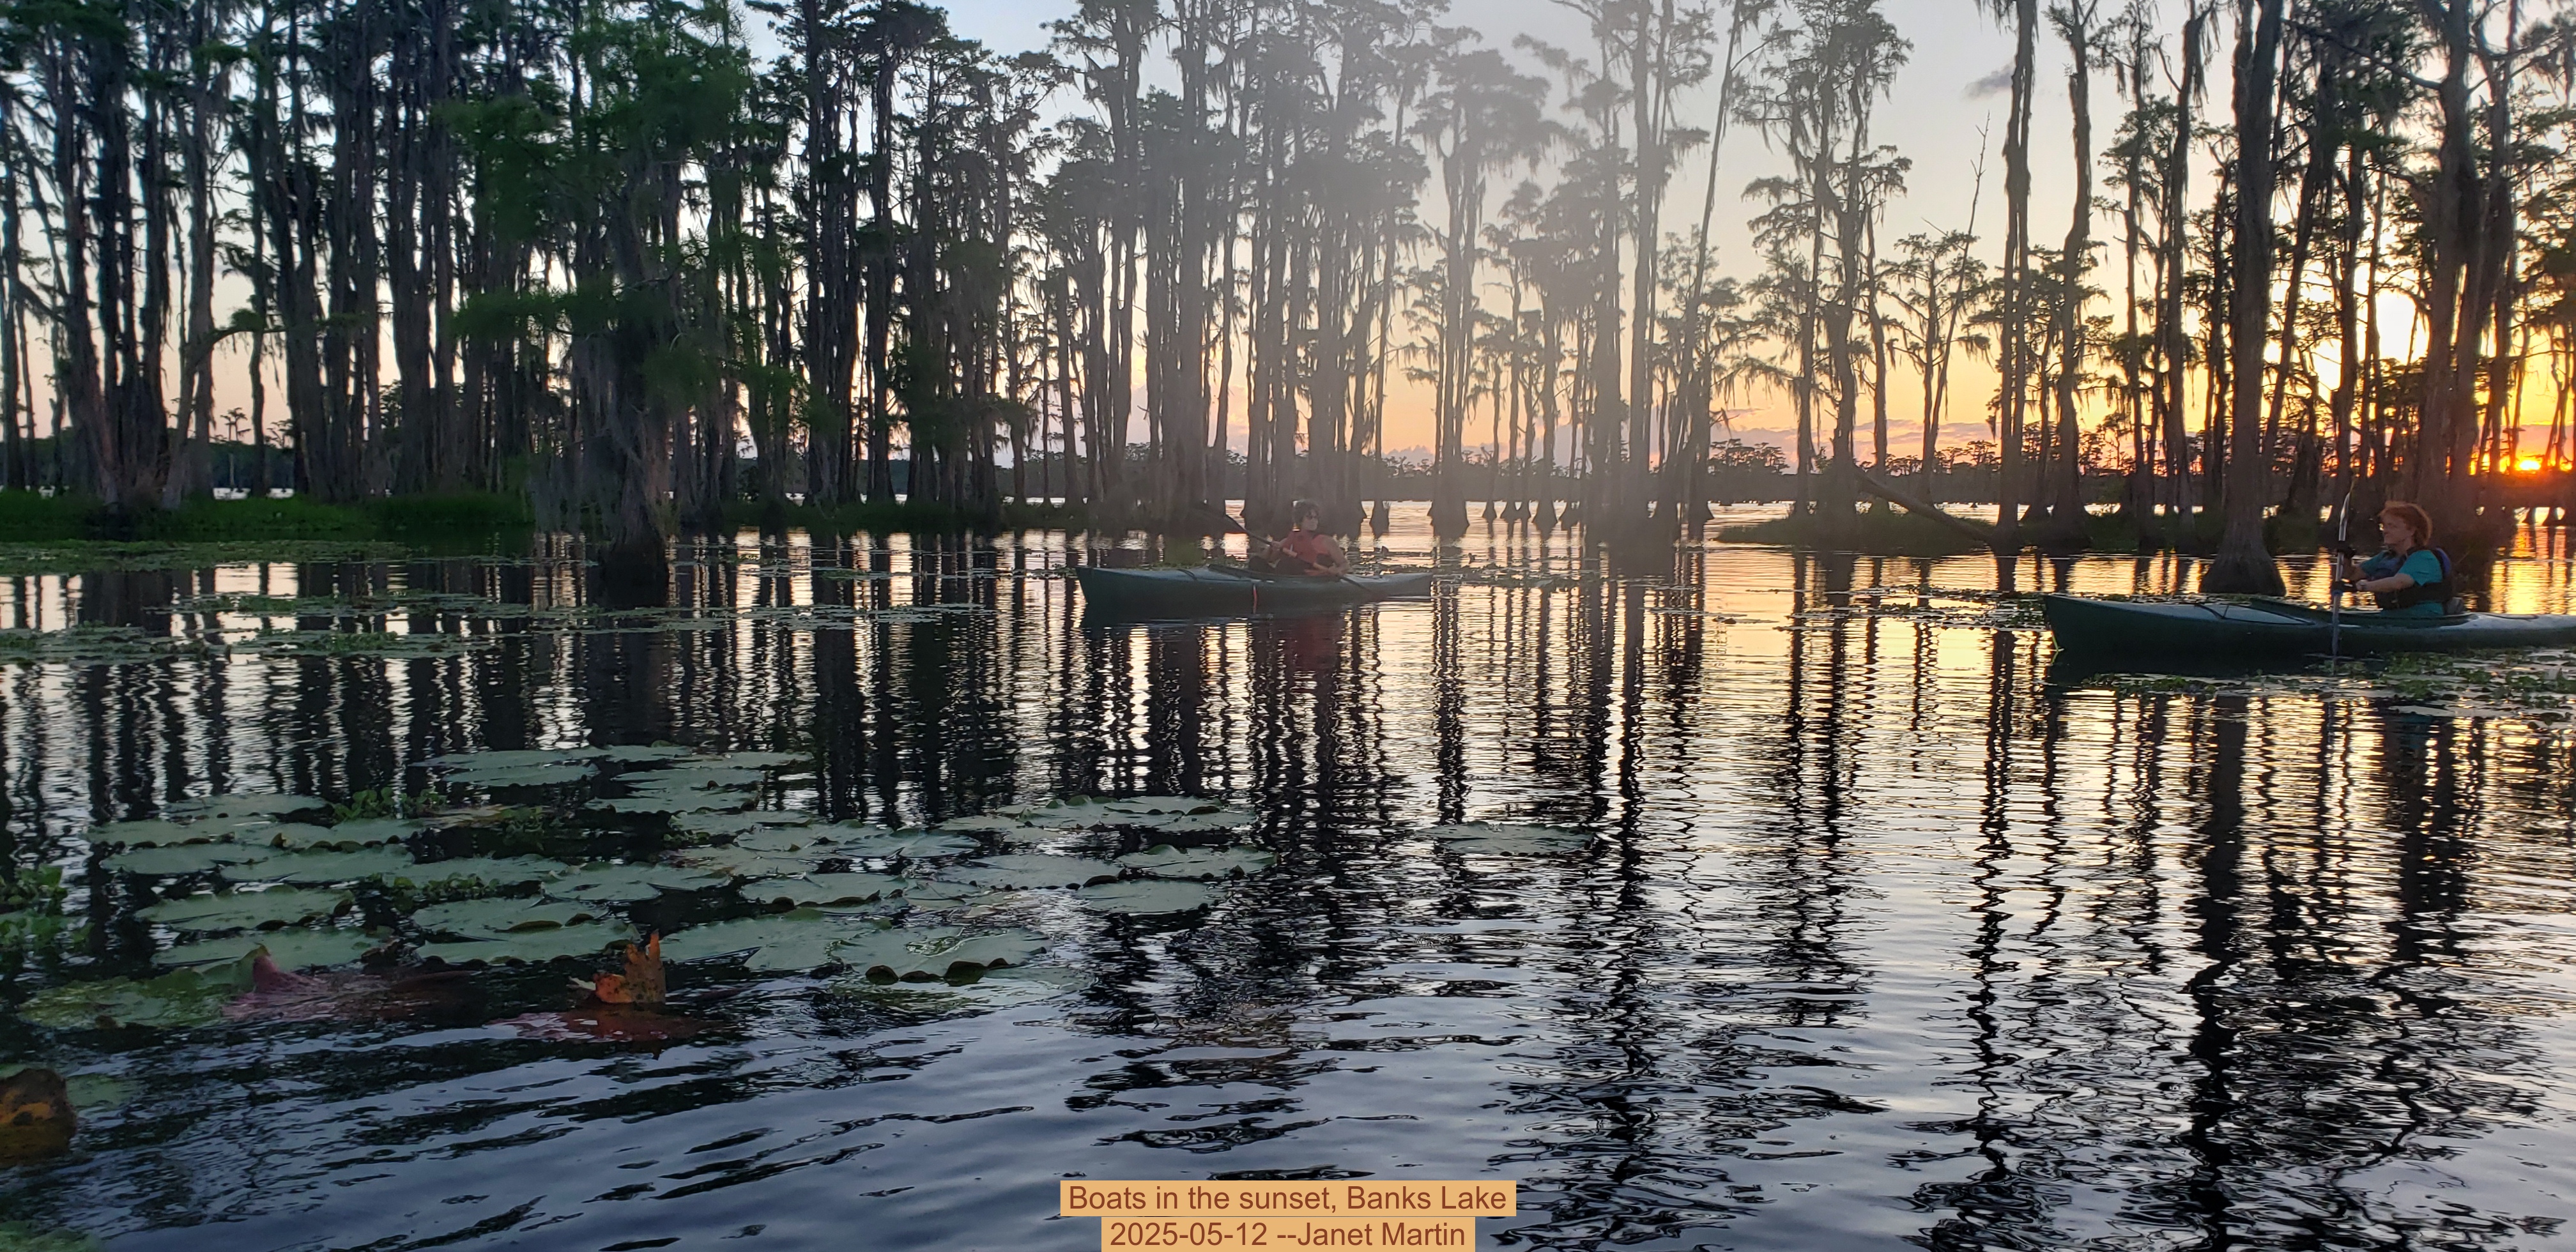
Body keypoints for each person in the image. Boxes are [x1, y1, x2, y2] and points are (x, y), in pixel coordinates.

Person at [2343, 501, 2454, 616]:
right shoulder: (2386, 557)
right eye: (2384, 526)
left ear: (2411, 531)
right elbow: (2351, 574)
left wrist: (2363, 586)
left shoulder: (2425, 558)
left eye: (2392, 526)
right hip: (2393, 615)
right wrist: (2345, 558)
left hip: (2423, 618)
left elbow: (2399, 583)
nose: (2385, 531)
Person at [1257, 500, 1348, 577]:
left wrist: (1337, 571)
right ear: (1300, 520)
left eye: (1316, 518)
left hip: (1314, 580)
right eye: (1309, 517)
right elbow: (1268, 559)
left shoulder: (1327, 541)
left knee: (1286, 564)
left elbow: (1345, 565)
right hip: (1288, 579)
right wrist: (1272, 548)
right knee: (1256, 562)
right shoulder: (1288, 540)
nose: (1313, 521)